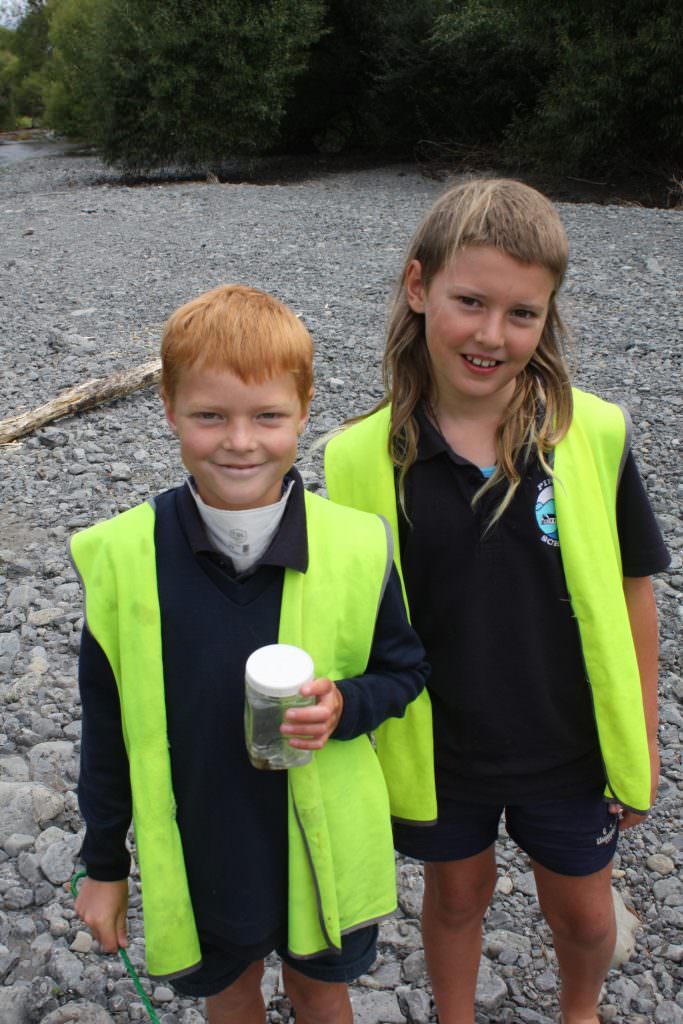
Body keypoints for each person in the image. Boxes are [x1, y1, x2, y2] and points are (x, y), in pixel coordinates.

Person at [324, 178, 669, 1024]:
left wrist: (642, 741)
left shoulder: (593, 435)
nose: (491, 335)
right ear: (418, 287)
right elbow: (347, 621)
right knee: (454, 900)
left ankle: (579, 1012)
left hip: (569, 744)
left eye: (522, 313)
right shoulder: (360, 459)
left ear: (547, 317)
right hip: (442, 747)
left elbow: (634, 594)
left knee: (584, 915)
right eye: (470, 302)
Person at [71, 283, 432, 1024]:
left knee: (318, 991)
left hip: (321, 843)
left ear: (303, 411)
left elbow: (405, 670)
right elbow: (106, 730)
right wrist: (104, 866)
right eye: (210, 416)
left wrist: (345, 705)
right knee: (231, 994)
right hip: (205, 844)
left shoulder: (357, 546)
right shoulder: (123, 559)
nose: (240, 441)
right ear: (169, 410)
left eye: (267, 416)